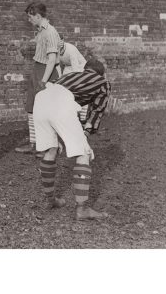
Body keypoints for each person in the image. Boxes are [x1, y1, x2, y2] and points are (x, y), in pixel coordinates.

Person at [32, 59, 111, 220]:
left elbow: (60, 104)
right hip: (61, 101)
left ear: (85, 70)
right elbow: (97, 111)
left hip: (40, 99)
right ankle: (82, 210)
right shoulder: (103, 82)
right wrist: (86, 135)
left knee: (50, 149)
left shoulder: (70, 76)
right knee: (83, 153)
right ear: (100, 73)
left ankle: (50, 200)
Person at [15, 3, 60, 154]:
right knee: (32, 106)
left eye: (30, 16)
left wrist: (44, 81)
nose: (29, 20)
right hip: (38, 69)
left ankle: (49, 147)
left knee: (45, 110)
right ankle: (34, 143)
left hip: (47, 72)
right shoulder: (40, 32)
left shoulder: (51, 32)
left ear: (38, 16)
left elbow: (52, 60)